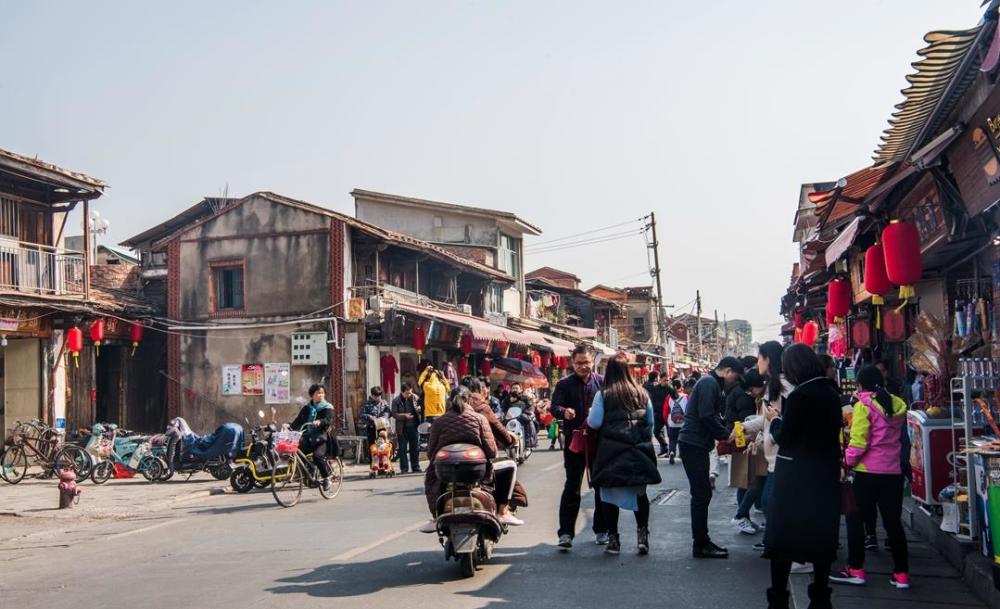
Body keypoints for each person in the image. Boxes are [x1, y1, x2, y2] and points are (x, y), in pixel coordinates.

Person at [764, 344, 842, 609]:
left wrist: (775, 420)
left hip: (796, 478)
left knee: (783, 541)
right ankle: (820, 598)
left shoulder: (801, 396)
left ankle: (778, 599)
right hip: (825, 475)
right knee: (820, 539)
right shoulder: (832, 392)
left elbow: (785, 437)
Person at [830, 365, 911, 590]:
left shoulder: (863, 406)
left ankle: (856, 569)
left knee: (855, 520)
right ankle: (902, 574)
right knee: (893, 523)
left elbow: (859, 441)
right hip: (893, 473)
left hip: (867, 473)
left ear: (859, 385)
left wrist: (846, 462)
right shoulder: (896, 404)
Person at [588, 353, 662, 555]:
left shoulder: (602, 395)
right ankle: (642, 536)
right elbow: (651, 423)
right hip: (638, 451)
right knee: (640, 494)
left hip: (610, 453)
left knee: (609, 496)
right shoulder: (642, 393)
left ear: (609, 372)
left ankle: (613, 540)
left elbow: (594, 422)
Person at [679, 356, 745, 558]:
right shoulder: (709, 383)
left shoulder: (713, 384)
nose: (735, 380)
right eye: (735, 375)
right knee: (701, 495)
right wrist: (726, 435)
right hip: (693, 443)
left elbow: (713, 416)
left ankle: (702, 541)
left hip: (697, 444)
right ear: (727, 370)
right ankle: (700, 544)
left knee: (703, 494)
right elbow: (706, 415)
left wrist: (726, 430)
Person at [549, 344, 608, 550]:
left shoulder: (601, 382)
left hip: (599, 442)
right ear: (572, 363)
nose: (583, 366)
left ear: (593, 362)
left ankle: (602, 530)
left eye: (587, 362)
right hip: (574, 443)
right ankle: (565, 533)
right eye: (579, 363)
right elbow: (553, 407)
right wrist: (564, 412)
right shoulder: (564, 384)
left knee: (601, 486)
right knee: (572, 486)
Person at [420, 386, 499, 533]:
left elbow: (431, 453)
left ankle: (436, 516)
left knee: (431, 482)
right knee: (498, 478)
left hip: (446, 472)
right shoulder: (479, 419)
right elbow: (492, 451)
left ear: (449, 401)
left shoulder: (439, 422)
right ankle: (500, 512)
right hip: (476, 471)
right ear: (469, 400)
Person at [462, 376, 527, 526]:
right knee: (510, 466)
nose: (486, 390)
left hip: (449, 462)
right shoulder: (481, 407)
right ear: (477, 390)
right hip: (478, 460)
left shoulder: (448, 408)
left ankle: (435, 515)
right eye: (483, 388)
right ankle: (502, 511)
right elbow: (498, 430)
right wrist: (509, 441)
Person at [726, 368, 767, 535]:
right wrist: (750, 440)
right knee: (749, 479)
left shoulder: (752, 395)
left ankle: (744, 516)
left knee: (752, 479)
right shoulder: (749, 396)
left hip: (749, 439)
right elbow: (750, 419)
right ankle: (741, 516)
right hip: (746, 440)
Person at [290, 384, 339, 486]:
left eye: (322, 393)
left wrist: (320, 422)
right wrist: (289, 426)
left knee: (317, 456)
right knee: (298, 452)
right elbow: (298, 420)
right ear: (312, 395)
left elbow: (328, 419)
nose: (321, 395)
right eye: (318, 393)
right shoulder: (307, 408)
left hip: (322, 438)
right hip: (309, 437)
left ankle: (327, 478)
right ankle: (308, 475)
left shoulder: (327, 407)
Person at [391, 382, 422, 474]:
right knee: (402, 449)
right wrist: (404, 416)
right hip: (402, 428)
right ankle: (404, 468)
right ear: (402, 392)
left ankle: (415, 467)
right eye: (407, 393)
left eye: (410, 392)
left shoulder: (414, 398)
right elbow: (394, 414)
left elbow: (421, 407)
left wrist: (419, 409)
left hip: (414, 427)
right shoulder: (396, 400)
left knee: (415, 448)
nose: (409, 394)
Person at [646, 371, 673, 457]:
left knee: (670, 433)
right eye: (665, 380)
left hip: (668, 414)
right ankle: (664, 447)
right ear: (660, 379)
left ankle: (671, 450)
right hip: (658, 414)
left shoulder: (670, 389)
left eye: (667, 380)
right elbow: (652, 400)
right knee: (656, 432)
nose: (666, 382)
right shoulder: (655, 388)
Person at [359, 386, 392, 453]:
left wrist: (386, 415)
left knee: (383, 447)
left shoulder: (384, 403)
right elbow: (361, 414)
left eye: (379, 396)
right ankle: (373, 462)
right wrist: (369, 416)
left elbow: (389, 412)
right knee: (373, 447)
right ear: (372, 395)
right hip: (371, 428)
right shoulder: (367, 403)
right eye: (375, 396)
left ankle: (383, 462)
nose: (377, 398)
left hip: (382, 429)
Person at [665, 379, 687, 464]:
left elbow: (665, 410)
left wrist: (666, 420)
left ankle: (672, 452)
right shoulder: (685, 396)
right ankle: (681, 454)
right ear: (681, 386)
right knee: (682, 439)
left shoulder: (668, 397)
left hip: (672, 422)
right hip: (683, 422)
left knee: (672, 439)